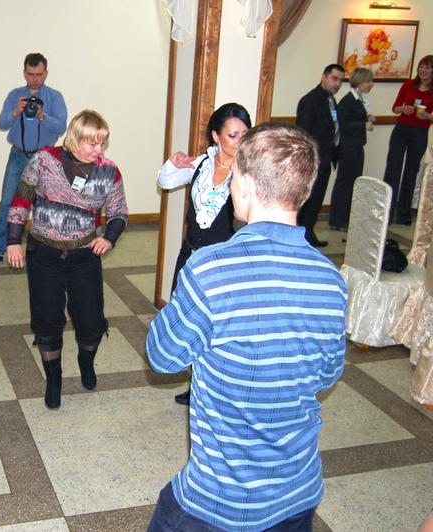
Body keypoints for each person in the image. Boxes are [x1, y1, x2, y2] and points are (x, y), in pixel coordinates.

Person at [147, 122, 347, 531]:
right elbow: (328, 373)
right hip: (298, 492)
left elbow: (162, 356)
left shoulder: (210, 269)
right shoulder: (331, 279)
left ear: (248, 184)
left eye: (234, 174)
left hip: (217, 499)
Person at [6, 110, 128, 409]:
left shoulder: (109, 171)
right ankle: (54, 379)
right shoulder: (44, 160)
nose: (99, 149)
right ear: (75, 139)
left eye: (102, 143)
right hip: (44, 254)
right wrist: (13, 241)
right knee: (48, 319)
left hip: (84, 255)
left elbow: (119, 212)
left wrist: (109, 238)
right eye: (93, 143)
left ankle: (86, 361)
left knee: (90, 320)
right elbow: (21, 200)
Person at [156, 103, 251, 406]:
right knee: (190, 319)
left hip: (223, 263)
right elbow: (166, 181)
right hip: (191, 256)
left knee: (218, 326)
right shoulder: (202, 164)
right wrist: (173, 164)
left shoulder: (250, 172)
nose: (239, 141)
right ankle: (197, 383)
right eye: (233, 135)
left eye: (244, 135)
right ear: (216, 136)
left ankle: (216, 387)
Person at [0, 52, 67, 262]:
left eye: (38, 74)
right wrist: (15, 111)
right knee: (7, 202)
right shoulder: (15, 95)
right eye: (30, 74)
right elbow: (1, 123)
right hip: (17, 156)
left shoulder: (54, 97)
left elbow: (61, 127)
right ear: (24, 73)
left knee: (43, 206)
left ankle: (42, 249)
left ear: (46, 73)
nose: (34, 79)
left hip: (44, 159)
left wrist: (41, 115)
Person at [296, 63, 346, 248]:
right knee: (308, 201)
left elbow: (333, 128)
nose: (337, 84)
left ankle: (309, 232)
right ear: (324, 77)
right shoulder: (310, 100)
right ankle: (301, 236)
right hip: (312, 161)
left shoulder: (331, 100)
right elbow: (303, 133)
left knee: (316, 201)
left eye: (340, 81)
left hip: (325, 159)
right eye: (334, 78)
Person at [383, 54, 433, 225]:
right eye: (421, 67)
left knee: (411, 172)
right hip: (401, 130)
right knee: (393, 169)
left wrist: (428, 116)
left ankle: (404, 214)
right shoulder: (408, 84)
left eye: (427, 67)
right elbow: (395, 108)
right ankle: (387, 212)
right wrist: (403, 109)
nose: (423, 70)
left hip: (420, 133)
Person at [329, 67, 375, 231]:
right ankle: (338, 220)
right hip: (348, 148)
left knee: (354, 183)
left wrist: (368, 117)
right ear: (360, 82)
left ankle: (347, 218)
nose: (371, 84)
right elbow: (341, 124)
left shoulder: (361, 99)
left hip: (357, 146)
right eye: (369, 81)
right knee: (345, 183)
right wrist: (363, 125)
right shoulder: (348, 101)